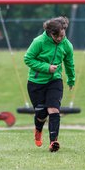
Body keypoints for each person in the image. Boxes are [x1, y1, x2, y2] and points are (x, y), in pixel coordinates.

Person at [24, 16, 75, 152]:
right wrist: (46, 67)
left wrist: (71, 79)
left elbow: (69, 63)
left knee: (54, 110)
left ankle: (54, 142)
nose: (59, 38)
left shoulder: (67, 45)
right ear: (50, 32)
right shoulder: (39, 41)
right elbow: (28, 59)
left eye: (62, 35)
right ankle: (38, 129)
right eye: (56, 36)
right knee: (41, 114)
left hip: (55, 80)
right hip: (36, 82)